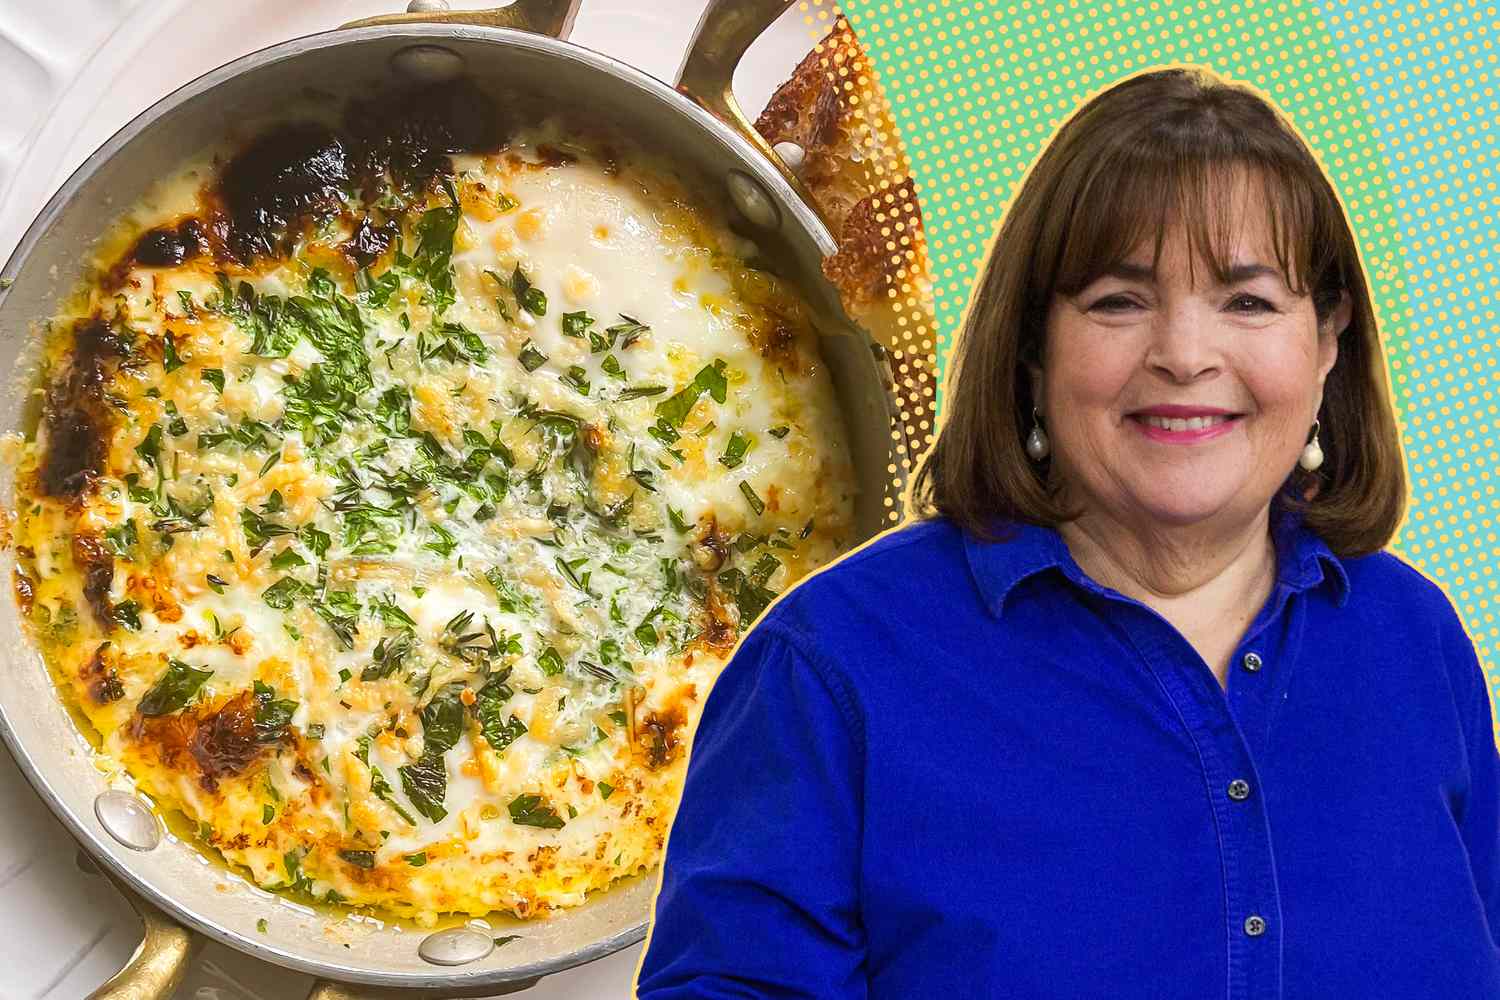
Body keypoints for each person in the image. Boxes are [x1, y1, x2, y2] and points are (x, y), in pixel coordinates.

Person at [632, 67, 1500, 998]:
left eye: (1249, 301)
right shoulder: (829, 671)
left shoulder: (1414, 634)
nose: (1184, 353)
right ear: (1035, 345)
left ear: (1327, 341)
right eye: (1118, 301)